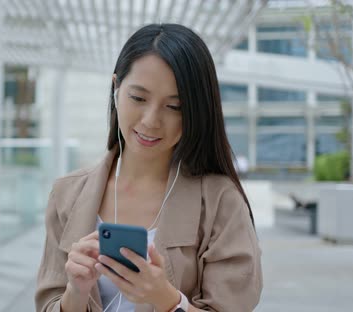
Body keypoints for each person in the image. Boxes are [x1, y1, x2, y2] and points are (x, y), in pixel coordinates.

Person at [35, 24, 262, 312]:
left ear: (196, 111)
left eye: (175, 107)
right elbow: (48, 303)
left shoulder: (220, 203)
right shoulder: (66, 194)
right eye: (138, 98)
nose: (151, 120)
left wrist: (167, 299)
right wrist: (76, 293)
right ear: (116, 88)